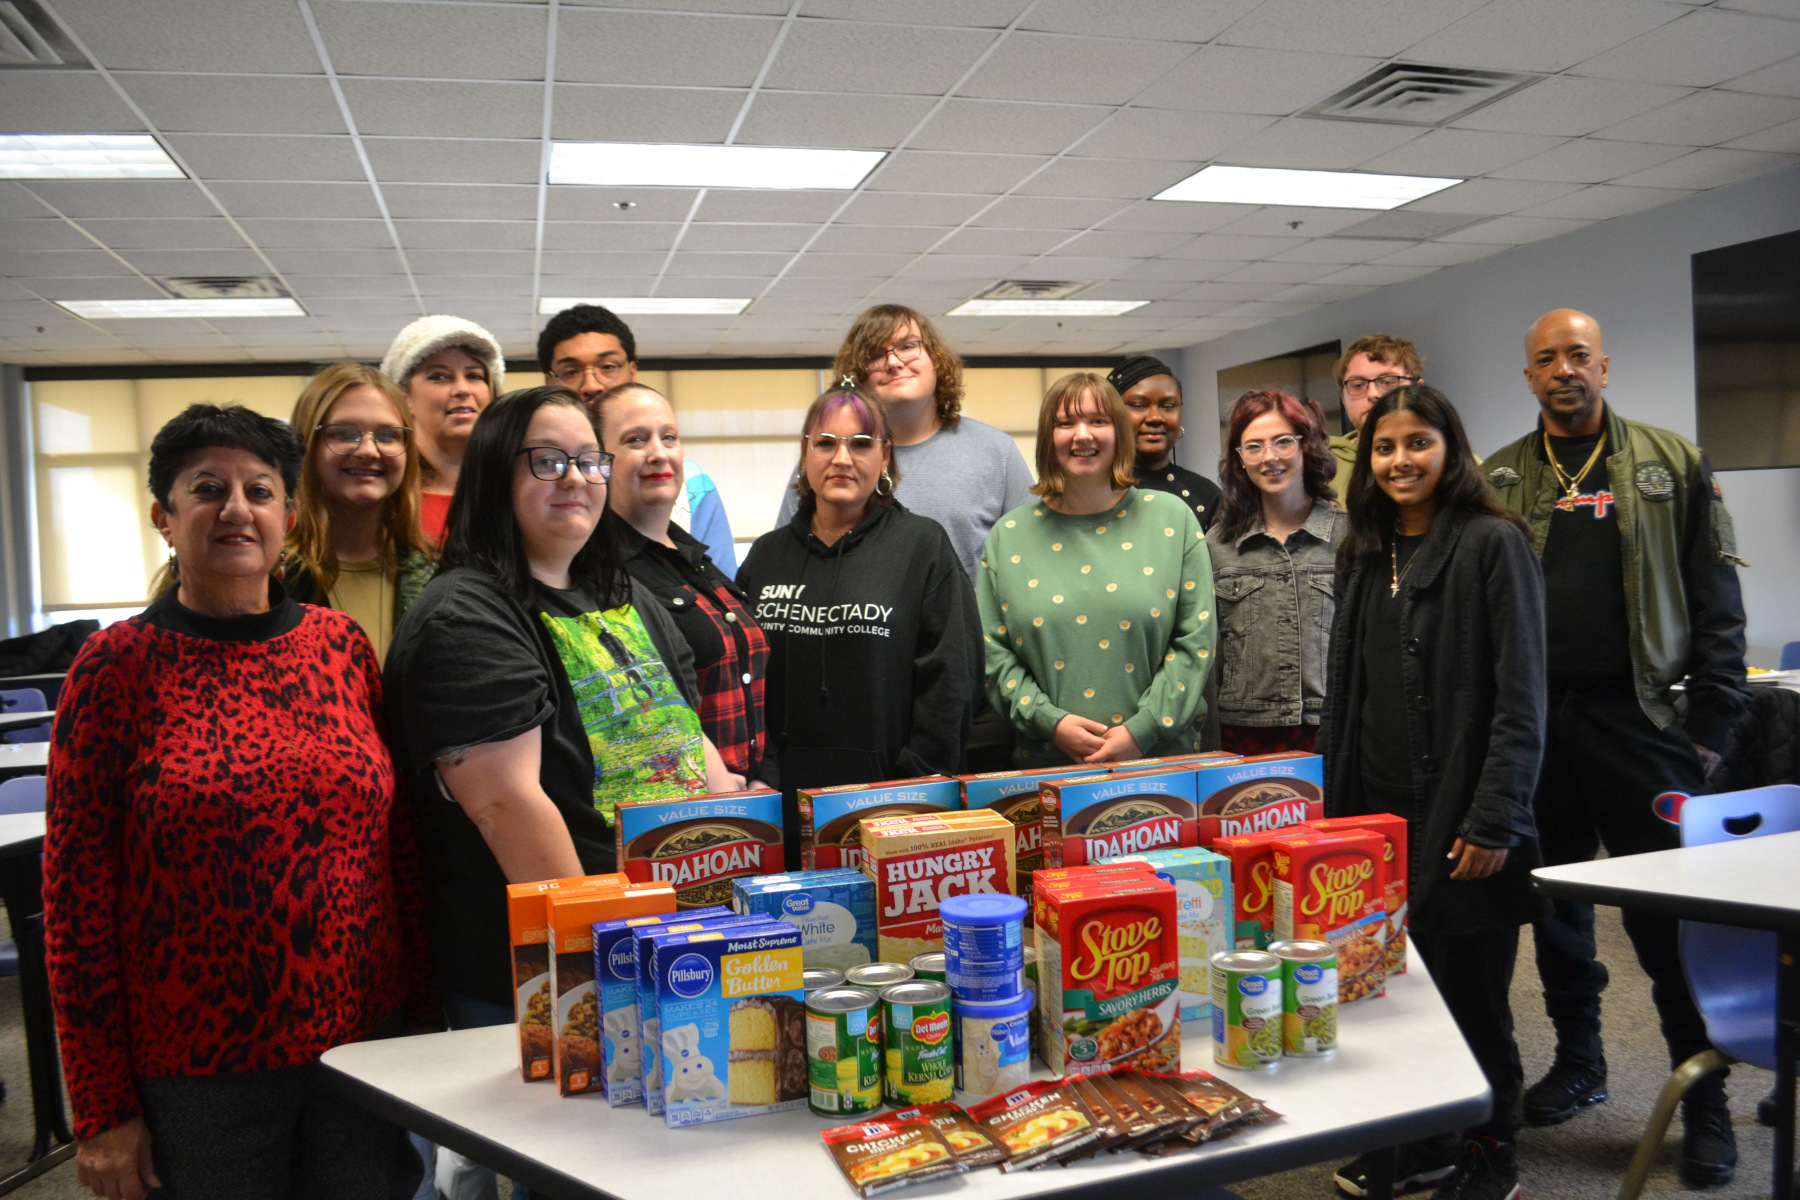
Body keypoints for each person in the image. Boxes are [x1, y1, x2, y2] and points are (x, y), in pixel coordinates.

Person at [45, 404, 431, 1200]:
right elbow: (75, 903)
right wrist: (100, 1108)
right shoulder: (115, 667)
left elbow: (397, 853)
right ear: (164, 516)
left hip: (363, 1046)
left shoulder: (340, 647)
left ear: (289, 516)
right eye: (207, 488)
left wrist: (422, 1027)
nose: (235, 509)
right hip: (197, 1068)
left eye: (260, 490)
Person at [1483, 308, 1748, 1186]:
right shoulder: (1502, 476)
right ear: (1528, 377)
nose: (1564, 369)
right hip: (1538, 728)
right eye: (1546, 359)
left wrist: (1712, 728)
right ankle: (1583, 1063)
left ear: (1606, 365)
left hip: (1642, 725)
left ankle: (1703, 1101)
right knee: (1556, 910)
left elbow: (1716, 600)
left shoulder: (1670, 462)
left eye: (1578, 355)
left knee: (1668, 927)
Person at [387, 385, 739, 1016]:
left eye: (589, 460)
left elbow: (693, 744)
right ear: (496, 474)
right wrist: (611, 966)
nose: (576, 478)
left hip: (676, 945)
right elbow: (508, 806)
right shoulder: (463, 615)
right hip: (559, 980)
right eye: (548, 461)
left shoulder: (625, 594)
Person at [1321, 385, 1546, 1200]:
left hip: (1463, 813)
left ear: (1451, 448)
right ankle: (1422, 1143)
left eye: (1418, 443)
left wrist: (1496, 818)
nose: (1400, 461)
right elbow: (1345, 694)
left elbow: (1523, 699)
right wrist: (1333, 821)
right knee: (1398, 992)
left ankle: (1492, 1152)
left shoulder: (1495, 543)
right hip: (1374, 816)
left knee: (1475, 996)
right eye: (1384, 448)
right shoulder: (1363, 550)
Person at [776, 305, 1035, 771]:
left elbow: (1032, 575)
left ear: (934, 356)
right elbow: (795, 566)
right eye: (877, 354)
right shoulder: (832, 466)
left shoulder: (994, 451)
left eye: (908, 346)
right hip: (865, 697)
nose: (894, 361)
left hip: (976, 696)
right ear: (857, 376)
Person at [740, 384, 981, 865]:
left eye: (861, 443)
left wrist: (911, 789)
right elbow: (743, 681)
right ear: (805, 453)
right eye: (826, 442)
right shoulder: (767, 556)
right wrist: (760, 779)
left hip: (891, 807)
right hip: (778, 804)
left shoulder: (921, 546)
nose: (842, 458)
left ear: (885, 455)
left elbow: (953, 680)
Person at [977, 373, 1216, 770]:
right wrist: (1050, 723)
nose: (1082, 435)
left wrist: (1143, 730)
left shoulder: (1173, 519)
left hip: (1162, 765)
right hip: (1046, 767)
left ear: (1120, 433)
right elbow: (991, 653)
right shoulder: (1009, 535)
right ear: (1046, 438)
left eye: (1098, 421)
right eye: (1065, 423)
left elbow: (1196, 643)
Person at [596, 380, 772, 786]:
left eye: (669, 437)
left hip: (754, 796)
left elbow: (758, 692)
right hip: (680, 806)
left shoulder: (700, 561)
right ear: (599, 461)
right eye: (635, 440)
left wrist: (764, 776)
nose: (658, 452)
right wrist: (721, 783)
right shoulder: (602, 576)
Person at [537, 302, 739, 574]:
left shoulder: (687, 480)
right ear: (550, 383)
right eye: (571, 372)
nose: (592, 385)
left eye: (607, 366)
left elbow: (719, 580)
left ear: (632, 372)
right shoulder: (539, 478)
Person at [1207, 389, 1344, 756]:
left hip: (1332, 731)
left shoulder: (1352, 538)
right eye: (1253, 447)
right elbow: (1210, 660)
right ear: (1239, 460)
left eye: (1283, 442)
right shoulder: (1217, 547)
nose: (1269, 458)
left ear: (1306, 446)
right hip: (1243, 736)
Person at [284, 362, 436, 660]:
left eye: (388, 435)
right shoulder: (269, 579)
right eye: (344, 433)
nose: (368, 450)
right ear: (305, 446)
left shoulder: (436, 576)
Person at [381, 314, 505, 543]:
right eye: (439, 377)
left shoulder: (514, 492)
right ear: (404, 396)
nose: (462, 389)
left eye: (474, 376)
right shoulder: (384, 498)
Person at [1107, 354, 1223, 531]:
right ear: (1111, 414)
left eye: (1168, 406)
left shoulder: (1205, 494)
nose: (1155, 417)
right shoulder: (1094, 489)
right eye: (1139, 405)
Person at [1331, 334, 1424, 501]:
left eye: (1388, 382)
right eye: (1358, 385)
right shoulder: (1323, 467)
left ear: (1418, 389)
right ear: (1343, 397)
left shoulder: (1449, 458)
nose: (1373, 394)